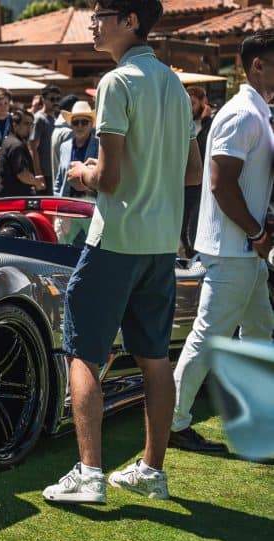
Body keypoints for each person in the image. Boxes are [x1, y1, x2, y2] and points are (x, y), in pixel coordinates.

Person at [43, 0, 202, 505]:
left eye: (102, 14)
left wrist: (81, 173)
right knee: (155, 358)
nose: (93, 22)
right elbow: (193, 172)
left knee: (83, 352)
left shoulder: (116, 82)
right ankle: (152, 471)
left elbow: (107, 178)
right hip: (161, 244)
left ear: (129, 21)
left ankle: (89, 473)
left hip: (115, 239)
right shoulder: (175, 85)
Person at [170, 30, 274, 453]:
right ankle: (173, 423)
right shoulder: (242, 114)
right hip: (233, 250)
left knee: (259, 331)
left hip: (244, 251)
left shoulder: (255, 111)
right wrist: (257, 232)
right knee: (208, 338)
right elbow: (220, 184)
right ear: (258, 66)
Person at [181, 85, 214, 258]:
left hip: (201, 187)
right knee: (183, 226)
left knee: (193, 227)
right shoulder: (183, 122)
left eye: (193, 103)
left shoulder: (210, 125)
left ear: (203, 102)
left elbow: (205, 149)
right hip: (184, 184)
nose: (190, 108)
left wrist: (207, 122)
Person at [0, 110, 45, 196]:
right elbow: (22, 174)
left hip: (8, 197)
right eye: (26, 124)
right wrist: (37, 182)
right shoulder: (16, 145)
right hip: (13, 199)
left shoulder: (11, 141)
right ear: (15, 125)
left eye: (31, 124)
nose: (29, 128)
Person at [54, 101, 99, 197]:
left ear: (91, 124)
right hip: (66, 201)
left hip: (91, 201)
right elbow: (59, 180)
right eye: (75, 122)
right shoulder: (64, 147)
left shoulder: (100, 146)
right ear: (71, 125)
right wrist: (57, 199)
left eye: (84, 122)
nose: (79, 126)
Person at [29, 84, 60, 195]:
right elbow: (33, 148)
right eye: (52, 99)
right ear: (43, 99)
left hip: (54, 172)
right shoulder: (39, 119)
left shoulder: (56, 118)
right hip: (45, 174)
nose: (55, 102)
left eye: (58, 99)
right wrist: (38, 174)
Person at [50, 94, 79, 185]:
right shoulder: (69, 132)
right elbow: (71, 165)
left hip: (58, 184)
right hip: (67, 186)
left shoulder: (57, 129)